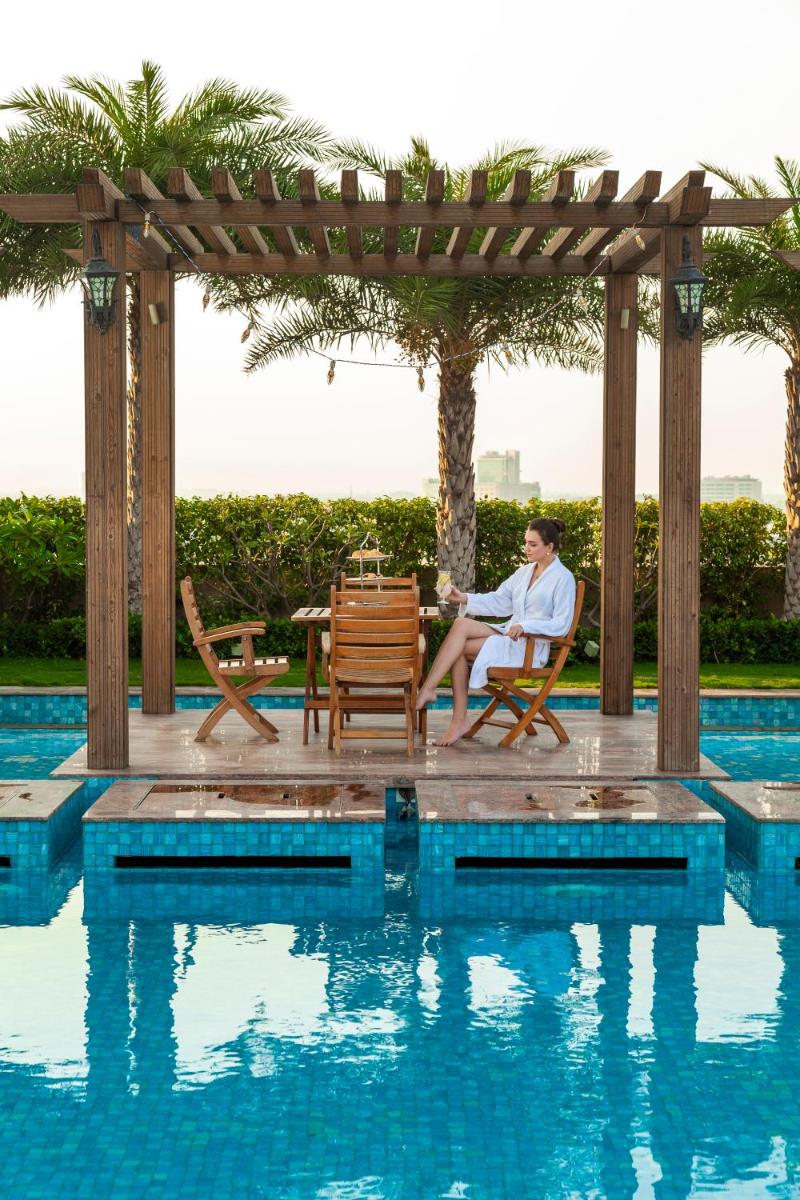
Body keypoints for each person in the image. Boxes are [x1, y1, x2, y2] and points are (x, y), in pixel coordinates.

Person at [416, 518, 577, 746]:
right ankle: (432, 691)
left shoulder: (563, 579)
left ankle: (454, 716)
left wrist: (526, 627)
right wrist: (462, 597)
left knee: (458, 650)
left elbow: (562, 624)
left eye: (533, 544)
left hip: (528, 648)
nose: (526, 548)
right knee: (460, 625)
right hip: (509, 636)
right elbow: (500, 601)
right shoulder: (524, 572)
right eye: (526, 543)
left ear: (549, 547)